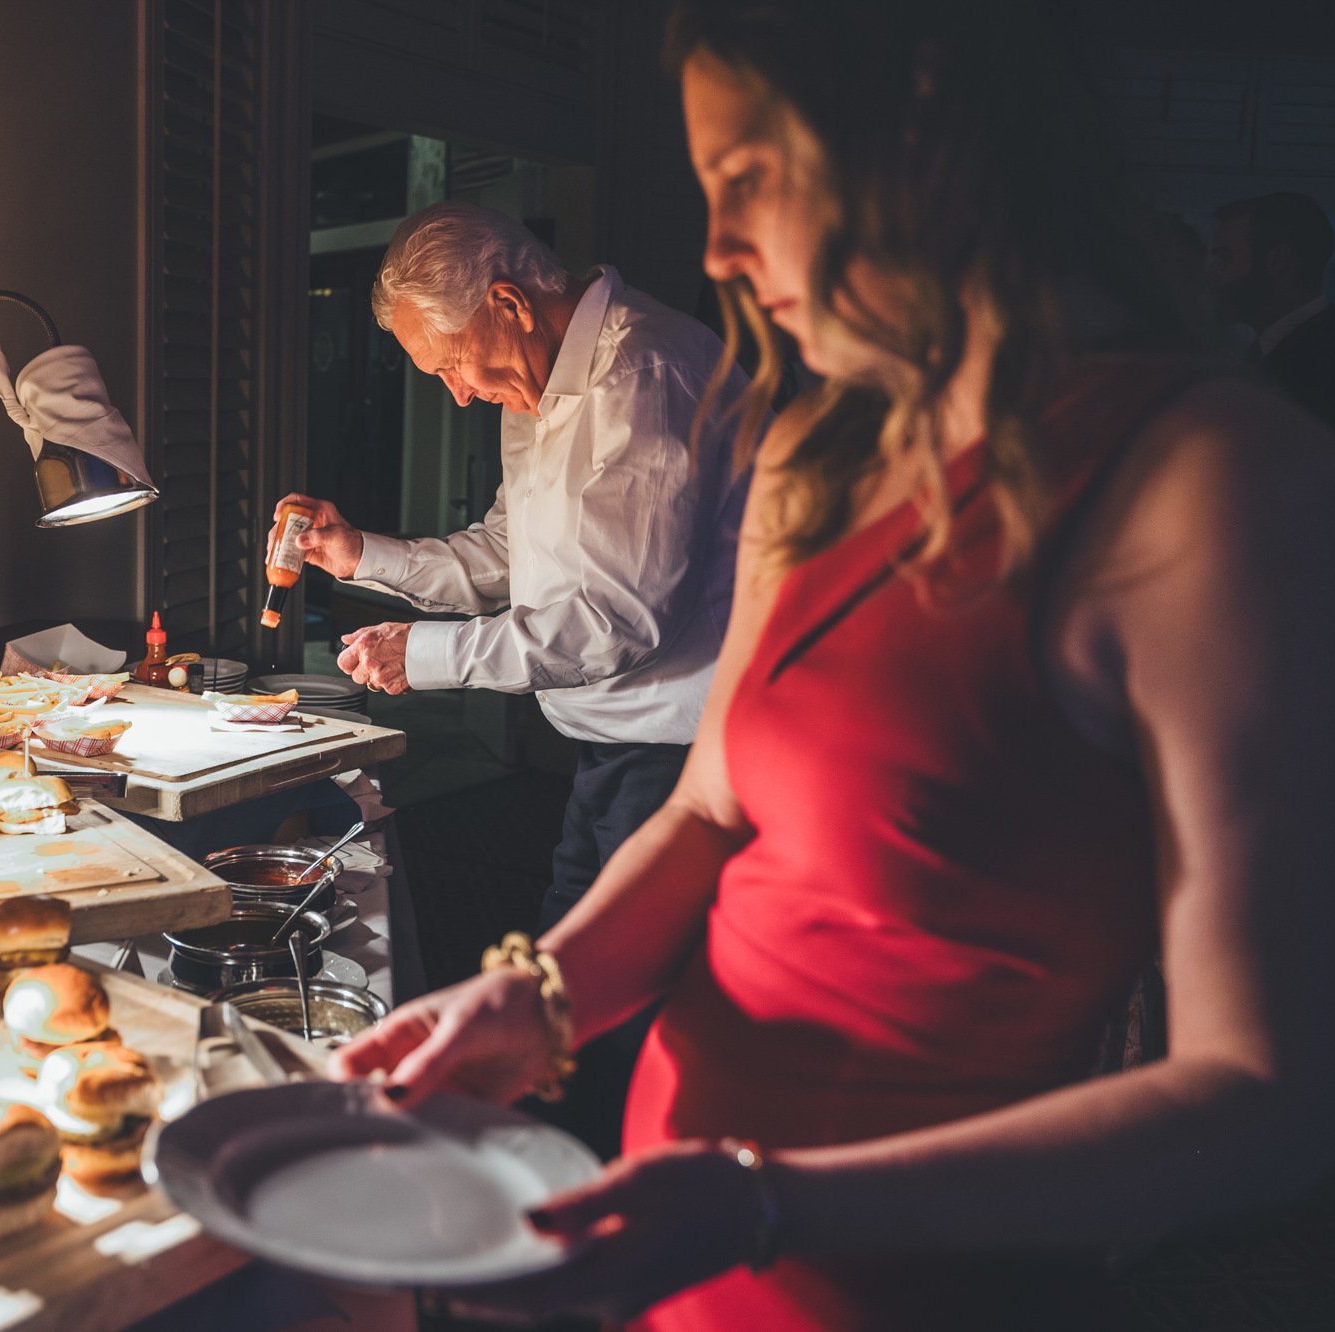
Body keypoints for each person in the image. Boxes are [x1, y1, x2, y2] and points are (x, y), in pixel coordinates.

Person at [332, 3, 1335, 1330]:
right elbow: (705, 812)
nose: (718, 249)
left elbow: (1264, 1101)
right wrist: (540, 993)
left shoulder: (1207, 480)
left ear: (919, 125)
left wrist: (776, 1205)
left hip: (891, 1283)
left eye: (745, 180)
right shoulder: (819, 456)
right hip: (686, 1242)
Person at [269, 202, 749, 937]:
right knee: (567, 972)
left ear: (508, 303)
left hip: (683, 755)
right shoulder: (535, 381)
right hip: (610, 745)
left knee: (628, 994)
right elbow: (508, 552)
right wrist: (358, 552)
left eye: (453, 363)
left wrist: (421, 655)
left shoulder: (645, 374)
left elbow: (610, 622)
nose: (458, 394)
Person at [1210, 191, 1335, 428]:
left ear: (1277, 259)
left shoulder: (1313, 370)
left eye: (1224, 258)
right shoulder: (1276, 350)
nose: (1211, 275)